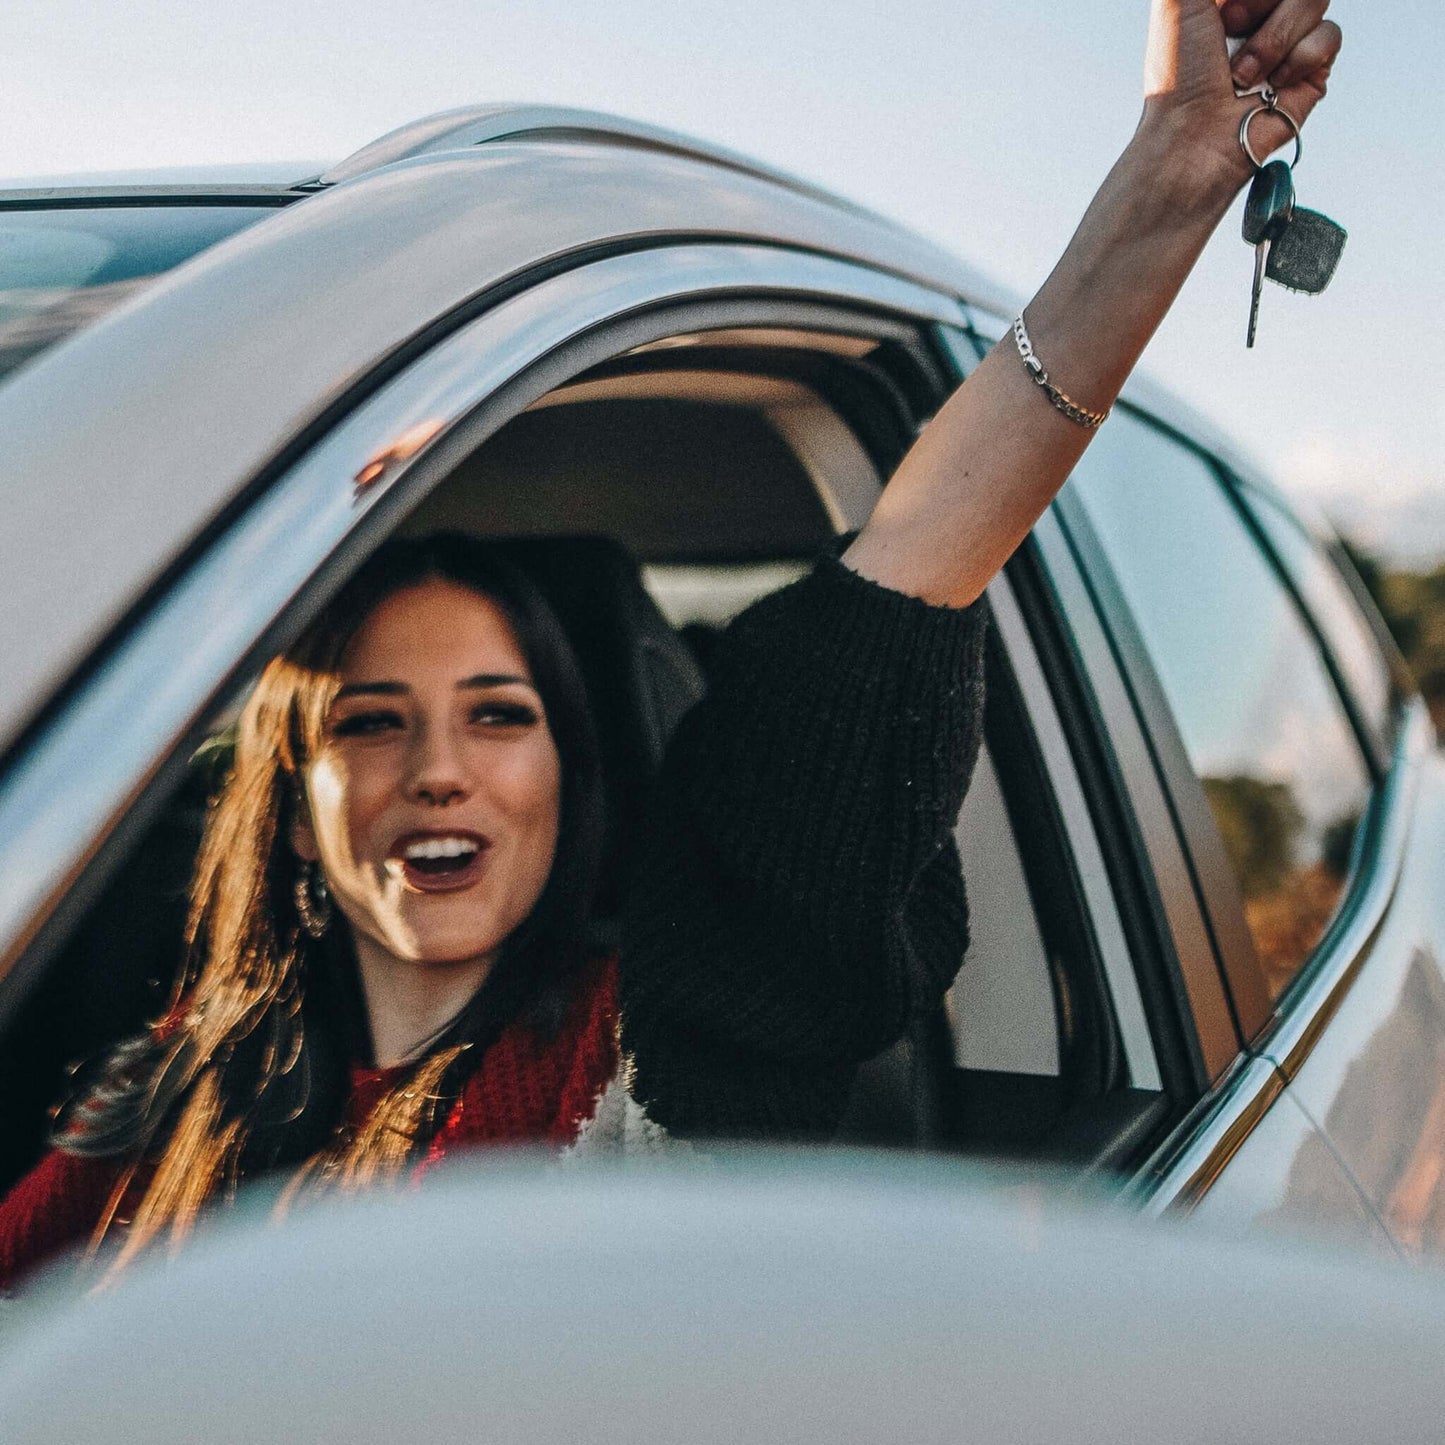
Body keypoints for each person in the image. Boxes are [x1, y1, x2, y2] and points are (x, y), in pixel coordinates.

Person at [0, 0, 1341, 1288]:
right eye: (368, 719)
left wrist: (1170, 175)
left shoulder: (660, 1053)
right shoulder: (174, 1077)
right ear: (292, 808)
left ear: (567, 776)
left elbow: (888, 601)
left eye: (499, 712)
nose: (441, 768)